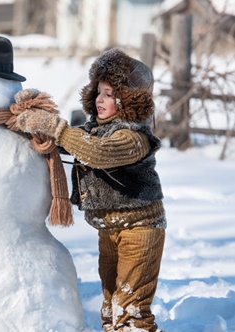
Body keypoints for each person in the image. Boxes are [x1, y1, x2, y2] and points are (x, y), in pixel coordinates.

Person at [12, 49, 165, 332]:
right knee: (110, 309)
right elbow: (73, 142)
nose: (100, 99)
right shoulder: (95, 129)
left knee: (130, 312)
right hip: (109, 229)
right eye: (99, 92)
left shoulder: (135, 137)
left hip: (140, 230)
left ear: (129, 97)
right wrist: (36, 119)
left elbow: (98, 153)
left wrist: (57, 129)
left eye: (110, 94)